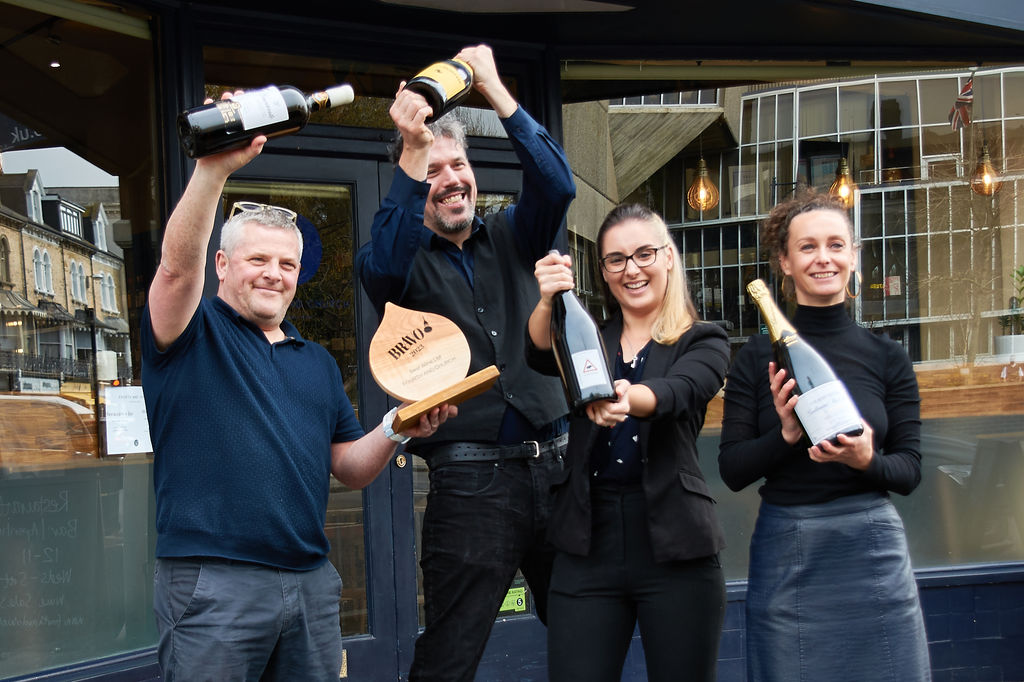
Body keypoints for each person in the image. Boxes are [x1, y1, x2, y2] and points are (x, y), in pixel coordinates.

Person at [142, 106, 454, 681]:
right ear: (222, 265)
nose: (273, 273)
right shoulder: (190, 334)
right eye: (257, 259)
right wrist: (212, 171)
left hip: (310, 585)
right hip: (215, 585)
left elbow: (350, 468)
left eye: (287, 264)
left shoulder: (314, 362)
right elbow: (172, 273)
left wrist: (395, 427)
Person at [355, 44, 575, 681]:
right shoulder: (395, 265)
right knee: (449, 658)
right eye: (434, 171)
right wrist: (412, 148)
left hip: (559, 472)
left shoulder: (516, 233)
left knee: (587, 632)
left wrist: (496, 90)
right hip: (471, 486)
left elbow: (557, 182)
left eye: (458, 165)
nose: (449, 178)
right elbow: (388, 248)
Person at [718, 190, 931, 681]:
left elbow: (910, 470)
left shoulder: (888, 357)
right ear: (785, 262)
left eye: (837, 245)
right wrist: (786, 435)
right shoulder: (756, 356)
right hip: (788, 544)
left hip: (871, 544)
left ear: (854, 256)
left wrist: (866, 461)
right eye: (808, 247)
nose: (824, 258)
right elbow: (731, 470)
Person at [526, 204, 730, 682]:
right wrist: (547, 299)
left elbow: (681, 391)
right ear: (603, 271)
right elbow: (538, 355)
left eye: (644, 254)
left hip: (676, 544)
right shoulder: (590, 334)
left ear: (669, 258)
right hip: (586, 541)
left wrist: (630, 397)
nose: (631, 269)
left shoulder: (704, 339)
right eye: (615, 260)